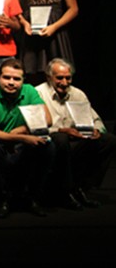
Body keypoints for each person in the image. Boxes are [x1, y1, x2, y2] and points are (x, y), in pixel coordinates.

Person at [0, 58, 55, 218]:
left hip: (22, 143)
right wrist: (23, 137)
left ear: (23, 80)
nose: (11, 82)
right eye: (7, 77)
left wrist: (21, 130)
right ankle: (2, 198)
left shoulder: (29, 91)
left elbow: (47, 119)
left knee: (48, 145)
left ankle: (33, 198)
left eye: (16, 79)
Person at [35, 58, 116, 210]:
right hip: (53, 139)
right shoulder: (38, 93)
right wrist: (60, 130)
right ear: (49, 77)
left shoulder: (77, 93)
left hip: (76, 139)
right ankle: (64, 192)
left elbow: (95, 119)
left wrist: (97, 130)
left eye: (68, 78)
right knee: (61, 139)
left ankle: (81, 187)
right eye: (59, 78)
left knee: (109, 140)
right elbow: (35, 126)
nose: (64, 82)